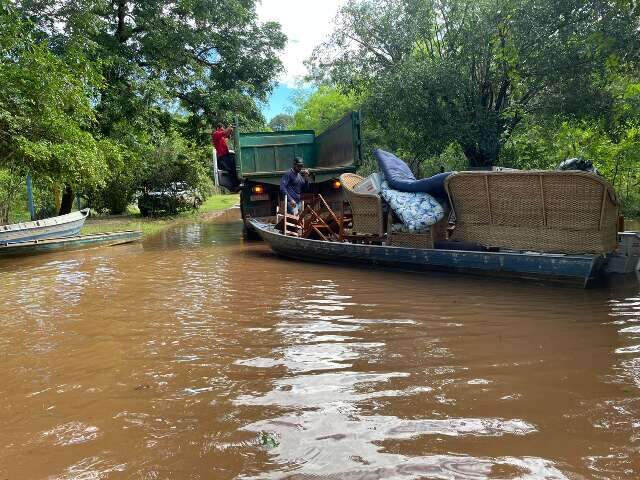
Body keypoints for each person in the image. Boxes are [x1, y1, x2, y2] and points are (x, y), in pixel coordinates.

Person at [211, 123, 239, 190]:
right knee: (232, 170)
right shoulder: (216, 134)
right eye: (222, 129)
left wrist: (231, 130)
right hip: (223, 156)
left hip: (226, 155)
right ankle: (235, 186)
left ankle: (236, 185)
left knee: (234, 168)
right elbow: (225, 132)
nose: (222, 130)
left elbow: (227, 134)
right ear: (218, 128)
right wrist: (230, 126)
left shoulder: (221, 136)